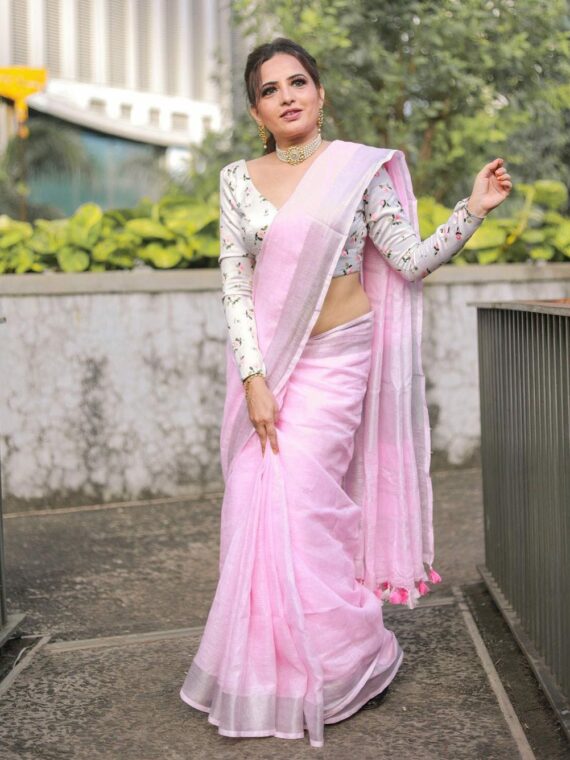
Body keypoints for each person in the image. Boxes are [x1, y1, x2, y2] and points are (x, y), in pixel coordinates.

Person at [180, 37, 512, 748]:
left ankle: (343, 662)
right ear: (257, 110)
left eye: (299, 82)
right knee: (253, 500)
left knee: (304, 505)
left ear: (321, 94)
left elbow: (410, 260)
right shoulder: (239, 179)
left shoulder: (359, 172)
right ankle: (267, 675)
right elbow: (234, 283)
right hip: (273, 366)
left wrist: (473, 208)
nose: (288, 95)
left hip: (339, 361)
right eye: (271, 90)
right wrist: (254, 378)